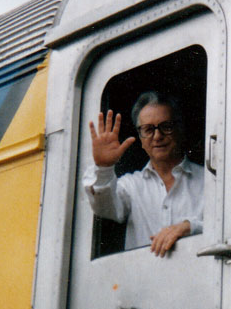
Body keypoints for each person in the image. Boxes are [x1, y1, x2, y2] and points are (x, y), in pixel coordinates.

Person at [82, 91, 203, 256]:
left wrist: (189, 227)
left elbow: (228, 228)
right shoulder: (131, 185)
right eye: (148, 129)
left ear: (179, 129)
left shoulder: (209, 179)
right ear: (140, 138)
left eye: (166, 126)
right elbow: (104, 208)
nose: (157, 136)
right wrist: (103, 167)